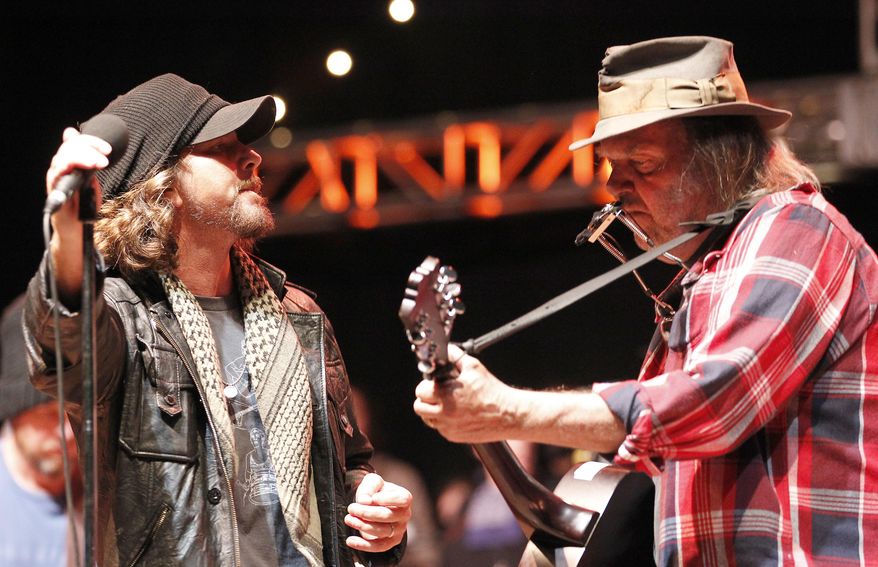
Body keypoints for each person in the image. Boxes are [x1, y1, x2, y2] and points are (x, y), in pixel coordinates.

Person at [413, 35, 878, 565]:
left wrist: (504, 410)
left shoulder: (796, 227)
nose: (616, 185)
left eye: (644, 162)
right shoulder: (702, 276)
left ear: (723, 155)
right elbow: (648, 471)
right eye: (612, 164)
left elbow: (708, 405)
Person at [24, 73, 412, 567]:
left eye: (244, 146)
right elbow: (61, 341)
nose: (252, 158)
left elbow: (347, 469)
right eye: (222, 148)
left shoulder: (298, 313)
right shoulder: (120, 318)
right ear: (162, 187)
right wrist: (66, 233)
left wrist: (377, 516)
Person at [0, 294, 83, 566]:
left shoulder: (106, 488)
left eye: (74, 418)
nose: (66, 434)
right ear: (15, 410)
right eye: (48, 416)